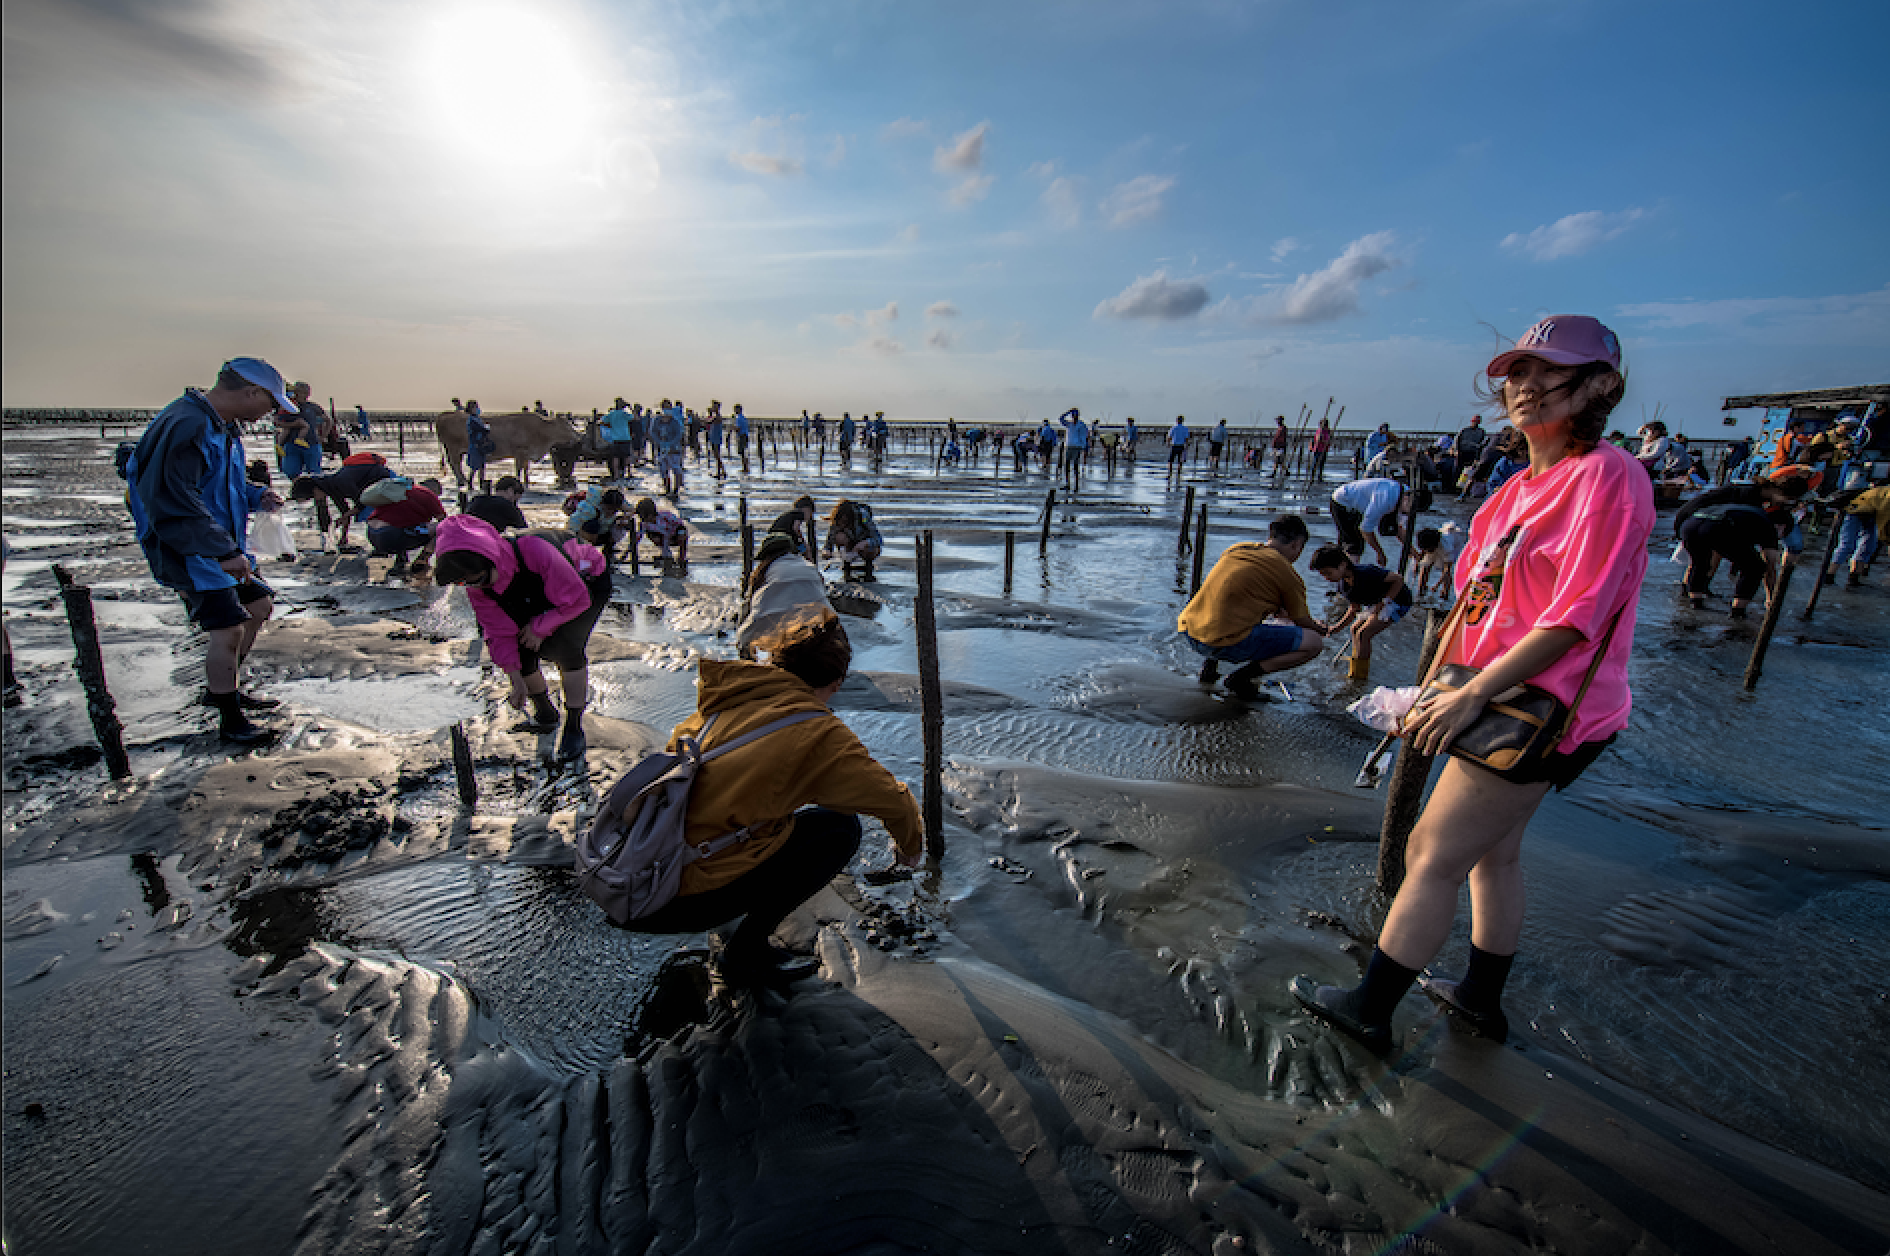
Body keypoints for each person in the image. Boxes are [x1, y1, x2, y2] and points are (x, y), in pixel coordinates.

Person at [1291, 313, 1652, 1053]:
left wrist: (1475, 691)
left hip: (1543, 707)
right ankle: (1480, 998)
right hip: (1492, 695)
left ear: (1600, 385)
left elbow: (1575, 615)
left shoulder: (1608, 477)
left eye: (1548, 371)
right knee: (1497, 853)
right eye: (1516, 373)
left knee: (1430, 854)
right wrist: (1438, 688)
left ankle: (1370, 1010)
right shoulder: (1515, 489)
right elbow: (1476, 609)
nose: (1525, 387)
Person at [617, 610, 922, 988]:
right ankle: (743, 954)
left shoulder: (731, 698)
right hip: (673, 899)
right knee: (840, 829)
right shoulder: (819, 732)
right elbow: (894, 800)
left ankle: (730, 914)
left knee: (781, 821)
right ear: (836, 681)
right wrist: (910, 847)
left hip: (634, 873)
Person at [125, 357, 292, 744]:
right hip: (192, 548)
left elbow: (218, 488)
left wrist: (256, 495)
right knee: (228, 626)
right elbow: (172, 498)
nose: (270, 413)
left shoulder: (222, 428)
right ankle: (230, 720)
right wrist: (220, 552)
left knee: (258, 607)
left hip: (220, 543)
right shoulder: (188, 424)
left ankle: (225, 688)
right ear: (251, 392)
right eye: (270, 403)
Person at [433, 515, 612, 762]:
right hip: (535, 589)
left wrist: (540, 627)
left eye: (479, 579)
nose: (475, 586)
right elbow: (497, 632)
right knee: (521, 648)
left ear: (489, 559)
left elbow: (577, 600)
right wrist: (514, 677)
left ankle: (573, 726)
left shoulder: (534, 550)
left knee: (566, 649)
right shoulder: (479, 588)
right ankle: (545, 714)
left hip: (585, 582)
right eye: (465, 583)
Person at [1177, 514, 1327, 699]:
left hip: (1190, 630)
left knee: (1229, 609)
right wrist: (1321, 628)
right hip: (1219, 642)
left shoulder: (1238, 549)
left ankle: (1209, 669)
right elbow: (1302, 621)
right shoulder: (1287, 573)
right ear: (1296, 544)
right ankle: (1241, 678)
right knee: (1313, 643)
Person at [1673, 472, 1811, 618]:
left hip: (1692, 523)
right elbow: (1769, 566)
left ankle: (1694, 603)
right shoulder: (1758, 511)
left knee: (1700, 561)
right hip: (1709, 522)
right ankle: (1738, 611)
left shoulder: (1750, 495)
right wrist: (1772, 599)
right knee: (1755, 567)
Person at [1309, 544, 1412, 682]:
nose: (1327, 578)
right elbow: (1354, 609)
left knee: (1364, 633)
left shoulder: (1366, 572)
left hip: (1396, 601)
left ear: (1343, 564)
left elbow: (1398, 579)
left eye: (1328, 572)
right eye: (1323, 575)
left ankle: (1360, 675)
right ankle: (1356, 663)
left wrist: (1384, 602)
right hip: (1376, 603)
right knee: (1354, 629)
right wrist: (1335, 628)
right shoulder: (1343, 585)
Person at [737, 531, 835, 660]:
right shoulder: (809, 567)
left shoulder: (768, 571)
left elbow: (752, 610)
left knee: (752, 637)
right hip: (822, 631)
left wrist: (742, 641)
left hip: (789, 629)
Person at [288, 457, 395, 550]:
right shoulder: (331, 488)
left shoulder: (341, 482)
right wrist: (343, 538)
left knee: (368, 515)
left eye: (313, 497)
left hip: (386, 479)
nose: (316, 499)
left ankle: (384, 545)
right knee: (364, 514)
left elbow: (362, 503)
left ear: (315, 490)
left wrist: (346, 516)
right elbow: (345, 512)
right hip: (372, 489)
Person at [1329, 476, 1424, 566]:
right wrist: (1379, 553)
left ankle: (1341, 567)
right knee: (1354, 543)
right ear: (1406, 498)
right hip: (1343, 500)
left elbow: (1398, 529)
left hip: (1361, 503)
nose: (1405, 513)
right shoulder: (1385, 499)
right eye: (1406, 511)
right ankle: (1349, 576)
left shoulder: (1408, 497)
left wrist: (1414, 553)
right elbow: (1365, 530)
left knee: (1349, 542)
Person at [363, 476, 447, 575]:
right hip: (392, 537)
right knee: (442, 529)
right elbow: (445, 522)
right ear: (434, 490)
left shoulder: (398, 490)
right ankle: (421, 561)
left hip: (373, 536)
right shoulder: (427, 494)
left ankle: (401, 560)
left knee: (405, 524)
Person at [1831, 482, 1889, 587]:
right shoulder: (1888, 498)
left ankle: (1854, 576)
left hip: (1872, 512)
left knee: (1868, 545)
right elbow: (1884, 521)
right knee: (1847, 544)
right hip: (1855, 509)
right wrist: (1886, 539)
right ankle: (1829, 574)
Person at [567, 486, 632, 567]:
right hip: (583, 535)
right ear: (602, 504)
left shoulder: (620, 503)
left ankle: (607, 554)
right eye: (608, 509)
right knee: (593, 525)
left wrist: (624, 518)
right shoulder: (589, 509)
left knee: (621, 525)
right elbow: (571, 528)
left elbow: (632, 509)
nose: (611, 512)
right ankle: (587, 554)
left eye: (614, 510)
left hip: (602, 532)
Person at [823, 498, 884, 582]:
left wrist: (864, 543)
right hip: (850, 544)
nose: (842, 525)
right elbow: (829, 542)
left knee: (871, 548)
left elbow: (878, 539)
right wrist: (827, 552)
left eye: (844, 522)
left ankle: (868, 565)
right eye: (840, 522)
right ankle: (846, 563)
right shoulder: (837, 520)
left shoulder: (863, 516)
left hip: (864, 545)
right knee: (839, 536)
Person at [631, 497, 689, 571]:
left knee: (682, 534)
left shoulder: (665, 516)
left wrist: (672, 534)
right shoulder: (644, 524)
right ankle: (666, 556)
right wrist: (631, 547)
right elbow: (639, 536)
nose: (643, 519)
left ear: (651, 514)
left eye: (644, 517)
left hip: (674, 534)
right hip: (661, 538)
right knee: (656, 538)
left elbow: (680, 524)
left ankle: (681, 558)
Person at [1411, 523, 1463, 601]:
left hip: (1452, 545)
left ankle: (1445, 593)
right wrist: (1416, 565)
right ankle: (1421, 590)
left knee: (1446, 573)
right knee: (1425, 566)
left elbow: (1447, 570)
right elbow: (1421, 555)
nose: (1425, 551)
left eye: (1427, 550)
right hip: (1434, 544)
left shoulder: (1446, 547)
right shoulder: (1425, 541)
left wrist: (1436, 585)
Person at [651, 401, 686, 497]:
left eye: (669, 408)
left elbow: (678, 435)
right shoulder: (657, 420)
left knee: (676, 470)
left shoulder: (675, 421)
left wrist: (670, 444)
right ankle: (667, 489)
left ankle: (676, 490)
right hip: (662, 449)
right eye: (665, 408)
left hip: (674, 449)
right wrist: (659, 442)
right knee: (663, 470)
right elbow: (653, 432)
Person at [600, 398, 636, 481]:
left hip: (615, 438)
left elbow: (603, 420)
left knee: (615, 457)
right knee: (627, 457)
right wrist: (630, 408)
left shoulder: (611, 414)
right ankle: (629, 473)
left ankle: (616, 475)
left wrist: (611, 426)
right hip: (625, 438)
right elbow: (634, 418)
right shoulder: (624, 414)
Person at [1058, 408, 1090, 484]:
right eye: (1073, 415)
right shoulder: (1069, 424)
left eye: (1075, 415)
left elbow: (1084, 436)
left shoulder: (1081, 425)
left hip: (1077, 446)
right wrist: (1068, 412)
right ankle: (1067, 482)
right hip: (1068, 446)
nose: (1074, 417)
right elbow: (1060, 419)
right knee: (1066, 464)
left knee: (1075, 465)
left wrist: (1084, 446)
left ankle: (1076, 482)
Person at [1307, 418, 1333, 484]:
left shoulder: (1328, 432)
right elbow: (1315, 439)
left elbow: (1329, 440)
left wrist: (1326, 442)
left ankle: (1319, 477)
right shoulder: (1319, 431)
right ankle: (1312, 477)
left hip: (1323, 450)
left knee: (1321, 464)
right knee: (1315, 463)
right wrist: (1311, 447)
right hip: (1317, 449)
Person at [733, 403, 752, 474]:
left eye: (735, 409)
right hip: (745, 435)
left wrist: (733, 428)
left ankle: (745, 468)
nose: (735, 411)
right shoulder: (744, 418)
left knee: (742, 453)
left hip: (741, 436)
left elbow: (738, 428)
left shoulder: (738, 418)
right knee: (744, 452)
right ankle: (746, 467)